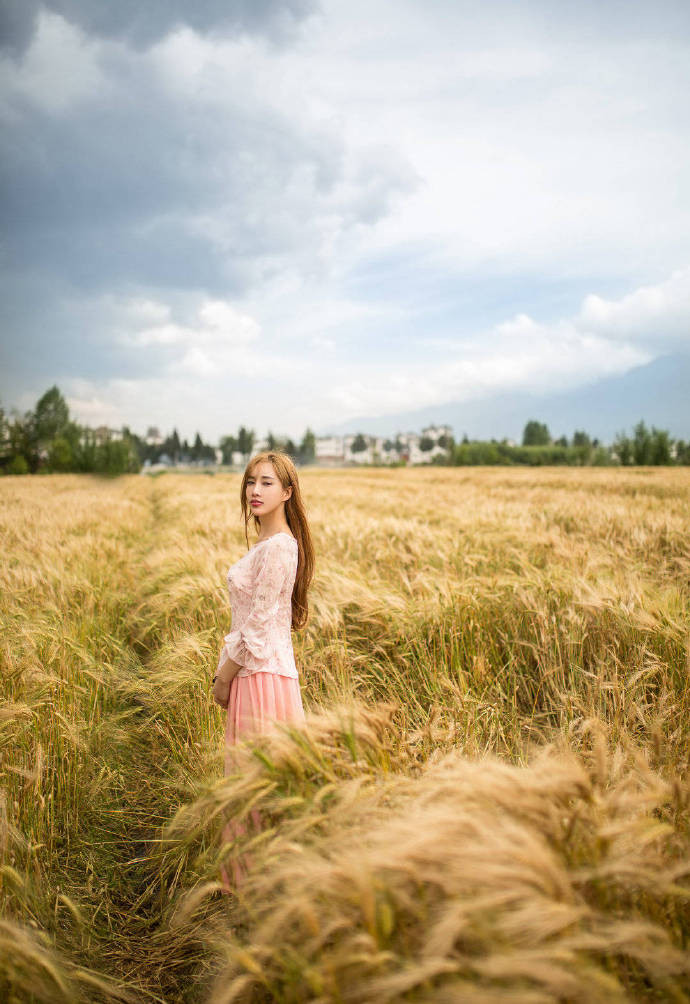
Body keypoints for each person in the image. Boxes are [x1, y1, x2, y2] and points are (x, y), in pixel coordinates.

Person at [212, 450, 314, 890]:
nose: (255, 490)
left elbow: (256, 625)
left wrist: (223, 676)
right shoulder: (272, 546)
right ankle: (262, 886)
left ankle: (262, 885)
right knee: (258, 782)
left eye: (267, 482)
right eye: (251, 481)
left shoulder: (279, 547)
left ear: (287, 492)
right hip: (260, 674)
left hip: (261, 678)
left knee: (258, 784)